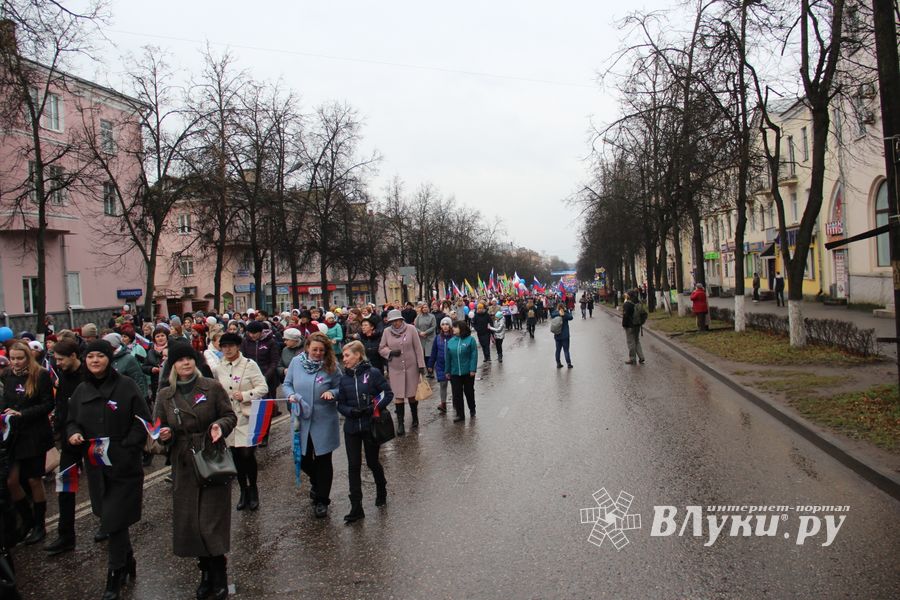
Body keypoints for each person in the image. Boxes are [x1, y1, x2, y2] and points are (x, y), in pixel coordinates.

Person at [67, 339, 151, 600]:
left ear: (109, 359)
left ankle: (114, 573)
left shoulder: (125, 386)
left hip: (123, 464)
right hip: (96, 465)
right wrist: (74, 434)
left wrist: (129, 447)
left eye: (100, 356)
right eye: (90, 356)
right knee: (110, 518)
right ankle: (127, 558)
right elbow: (71, 421)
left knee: (113, 519)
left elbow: (143, 420)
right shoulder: (81, 390)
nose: (94, 361)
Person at [155, 345, 236, 600]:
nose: (186, 363)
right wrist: (164, 435)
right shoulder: (165, 395)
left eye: (189, 358)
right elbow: (158, 429)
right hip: (184, 462)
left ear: (196, 362)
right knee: (192, 522)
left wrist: (219, 427)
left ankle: (219, 572)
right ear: (173, 367)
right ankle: (204, 572)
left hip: (212, 457)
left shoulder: (211, 387)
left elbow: (229, 416)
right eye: (180, 360)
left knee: (211, 520)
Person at [282, 332, 341, 518]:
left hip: (324, 419)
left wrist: (333, 392)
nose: (317, 353)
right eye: (314, 349)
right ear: (307, 347)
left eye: (321, 350)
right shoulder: (296, 363)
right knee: (303, 457)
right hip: (301, 418)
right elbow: (287, 384)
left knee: (324, 459)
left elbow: (341, 387)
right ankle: (317, 482)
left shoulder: (331, 366)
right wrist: (290, 395)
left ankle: (322, 500)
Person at [1, 341, 54, 546]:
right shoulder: (7, 375)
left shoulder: (39, 374)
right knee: (11, 481)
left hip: (34, 434)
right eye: (12, 358)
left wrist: (22, 414)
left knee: (33, 480)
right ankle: (27, 520)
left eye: (19, 358)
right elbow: (6, 400)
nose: (15, 362)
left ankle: (39, 524)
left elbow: (47, 404)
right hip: (14, 435)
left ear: (28, 357)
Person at [335, 341, 393, 523]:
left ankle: (381, 488)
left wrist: (372, 408)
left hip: (370, 425)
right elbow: (341, 403)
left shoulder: (373, 373)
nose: (343, 359)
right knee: (353, 466)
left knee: (372, 462)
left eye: (347, 356)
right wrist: (350, 412)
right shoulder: (343, 378)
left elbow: (387, 393)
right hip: (352, 428)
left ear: (358, 355)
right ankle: (356, 507)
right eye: (343, 356)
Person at [215, 333, 268, 512]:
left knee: (247, 454)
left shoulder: (249, 365)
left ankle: (253, 488)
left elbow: (263, 387)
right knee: (236, 456)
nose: (227, 349)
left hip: (247, 417)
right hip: (229, 419)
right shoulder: (218, 367)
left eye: (231, 345)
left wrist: (245, 395)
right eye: (224, 346)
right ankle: (243, 491)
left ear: (238, 347)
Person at [44, 339, 85, 555]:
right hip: (69, 440)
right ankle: (66, 535)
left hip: (89, 439)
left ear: (73, 356)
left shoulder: (88, 376)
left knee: (100, 484)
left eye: (61, 359)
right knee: (66, 488)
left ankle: (109, 524)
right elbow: (60, 404)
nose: (57, 363)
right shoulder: (61, 377)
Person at [378, 309, 426, 435]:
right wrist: (390, 352)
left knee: (411, 395)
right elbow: (381, 348)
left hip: (411, 367)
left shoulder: (411, 329)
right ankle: (400, 424)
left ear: (401, 319)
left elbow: (418, 348)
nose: (395, 324)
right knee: (398, 396)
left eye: (397, 321)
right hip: (395, 368)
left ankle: (415, 418)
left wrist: (421, 365)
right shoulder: (386, 332)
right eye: (392, 322)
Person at [445, 321, 478, 422]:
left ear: (462, 328)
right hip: (455, 373)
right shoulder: (450, 341)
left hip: (468, 372)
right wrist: (447, 371)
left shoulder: (470, 340)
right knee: (457, 394)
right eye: (453, 327)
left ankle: (472, 408)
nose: (453, 329)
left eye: (455, 327)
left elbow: (474, 355)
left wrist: (472, 369)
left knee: (469, 392)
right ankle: (460, 414)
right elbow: (448, 358)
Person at [241, 320, 280, 400]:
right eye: (250, 333)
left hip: (268, 377)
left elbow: (274, 361)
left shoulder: (270, 342)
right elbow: (243, 358)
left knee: (268, 404)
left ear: (260, 332)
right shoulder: (245, 342)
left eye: (254, 333)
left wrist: (266, 376)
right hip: (251, 377)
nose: (252, 335)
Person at [103, 333, 148, 399]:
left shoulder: (129, 359)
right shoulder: (107, 358)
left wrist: (141, 398)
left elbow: (138, 380)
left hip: (128, 397)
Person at [428, 318, 454, 413]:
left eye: (447, 324)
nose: (445, 326)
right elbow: (434, 351)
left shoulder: (454, 337)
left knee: (454, 385)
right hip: (441, 365)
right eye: (443, 324)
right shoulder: (438, 338)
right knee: (443, 385)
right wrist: (430, 365)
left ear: (450, 326)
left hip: (452, 366)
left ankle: (456, 402)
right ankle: (443, 404)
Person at [622, 291, 646, 365]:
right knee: (636, 341)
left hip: (630, 326)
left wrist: (624, 325)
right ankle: (641, 357)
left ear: (629, 296)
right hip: (637, 325)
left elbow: (625, 316)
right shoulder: (638, 303)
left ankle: (632, 359)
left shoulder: (627, 304)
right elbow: (644, 314)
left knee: (631, 342)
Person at [414, 303, 437, 378]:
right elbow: (415, 326)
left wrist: (425, 332)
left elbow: (433, 326)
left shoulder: (432, 316)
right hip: (421, 338)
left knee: (429, 355)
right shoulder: (418, 317)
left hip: (430, 338)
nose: (424, 309)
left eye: (426, 307)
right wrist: (420, 332)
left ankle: (431, 371)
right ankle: (427, 370)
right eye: (423, 308)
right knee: (423, 355)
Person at [550, 304, 575, 369]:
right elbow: (571, 317)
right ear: (563, 307)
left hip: (557, 335)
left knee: (558, 350)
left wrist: (558, 312)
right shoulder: (565, 313)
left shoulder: (555, 313)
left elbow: (552, 315)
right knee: (566, 350)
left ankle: (558, 363)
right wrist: (566, 312)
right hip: (565, 335)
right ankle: (569, 364)